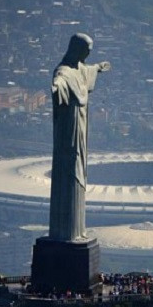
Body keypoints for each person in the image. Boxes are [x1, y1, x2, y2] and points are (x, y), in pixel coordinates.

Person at [48, 33, 110, 241]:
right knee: (69, 172)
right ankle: (66, 232)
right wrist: (57, 87)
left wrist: (98, 68)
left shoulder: (80, 68)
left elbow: (86, 71)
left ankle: (77, 231)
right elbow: (61, 79)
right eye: (86, 51)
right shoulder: (64, 72)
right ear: (76, 49)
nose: (88, 55)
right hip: (69, 130)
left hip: (81, 127)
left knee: (80, 170)